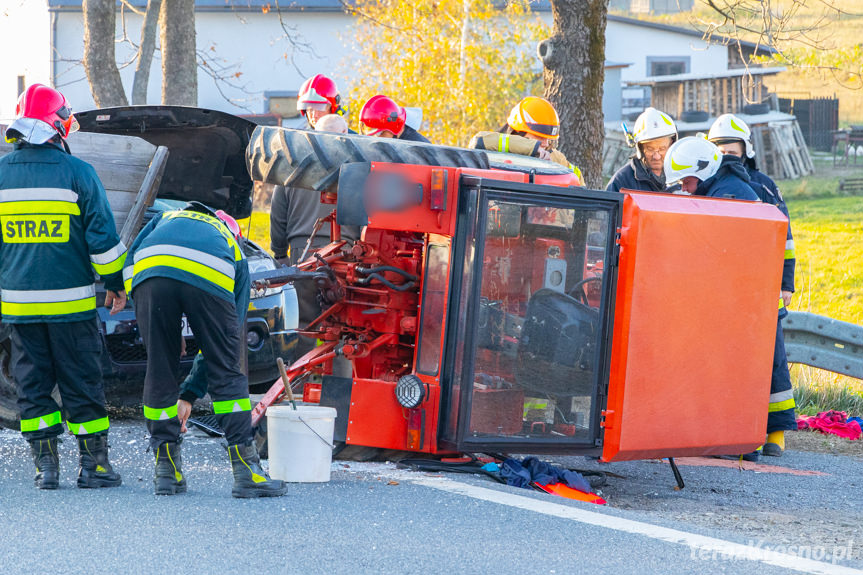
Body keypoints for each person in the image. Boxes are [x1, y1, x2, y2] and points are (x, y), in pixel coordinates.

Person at [0, 84, 127, 490]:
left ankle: (45, 469)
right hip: (70, 307)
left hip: (19, 308)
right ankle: (94, 467)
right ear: (57, 126)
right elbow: (104, 243)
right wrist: (115, 283)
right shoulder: (79, 174)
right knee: (81, 382)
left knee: (32, 384)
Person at [123, 201, 286, 498]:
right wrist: (192, 391)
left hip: (149, 268)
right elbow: (224, 347)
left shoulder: (165, 217)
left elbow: (131, 261)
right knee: (227, 368)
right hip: (209, 270)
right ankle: (246, 473)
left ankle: (166, 472)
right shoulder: (230, 245)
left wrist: (160, 334)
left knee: (159, 369)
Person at [709, 114, 797, 457]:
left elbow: (785, 238)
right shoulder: (710, 184)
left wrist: (785, 283)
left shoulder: (763, 185)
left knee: (773, 361)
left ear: (747, 149)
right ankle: (745, 430)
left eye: (734, 148)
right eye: (722, 149)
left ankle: (776, 432)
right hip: (733, 293)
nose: (729, 154)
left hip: (765, 289)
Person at [468, 96, 584, 183]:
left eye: (549, 139)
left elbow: (578, 181)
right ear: (518, 132)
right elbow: (477, 140)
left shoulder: (556, 158)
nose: (545, 143)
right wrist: (532, 148)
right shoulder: (497, 147)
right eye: (539, 137)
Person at [607, 107, 678, 193]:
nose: (656, 156)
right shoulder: (621, 181)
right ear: (640, 149)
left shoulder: (684, 177)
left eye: (662, 149)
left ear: (672, 145)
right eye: (650, 149)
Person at [663, 136, 758, 200]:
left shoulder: (725, 194)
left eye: (687, 182)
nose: (683, 189)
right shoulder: (723, 185)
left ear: (703, 174)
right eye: (681, 183)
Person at [359, 95, 430, 142]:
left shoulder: (420, 149)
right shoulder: (395, 142)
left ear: (394, 128)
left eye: (380, 133)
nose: (376, 138)